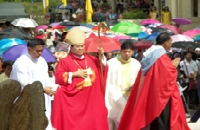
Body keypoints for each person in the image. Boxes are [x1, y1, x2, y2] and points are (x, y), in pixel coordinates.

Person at [118, 32, 190, 130]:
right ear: (165, 43)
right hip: (160, 94)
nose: (171, 44)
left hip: (151, 90)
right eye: (170, 42)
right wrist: (173, 66)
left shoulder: (151, 53)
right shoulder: (160, 56)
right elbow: (166, 75)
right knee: (161, 118)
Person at [51, 28, 109, 130]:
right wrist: (74, 74)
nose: (80, 48)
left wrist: (101, 55)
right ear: (71, 47)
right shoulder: (65, 61)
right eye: (77, 46)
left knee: (94, 123)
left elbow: (103, 67)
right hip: (76, 102)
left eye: (82, 46)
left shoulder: (91, 59)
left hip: (92, 100)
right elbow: (59, 77)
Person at [10, 38, 58, 130]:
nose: (40, 53)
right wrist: (43, 89)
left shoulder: (42, 61)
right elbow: (23, 82)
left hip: (43, 97)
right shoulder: (21, 62)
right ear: (29, 49)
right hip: (27, 99)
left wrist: (52, 88)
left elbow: (46, 79)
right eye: (37, 51)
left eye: (42, 51)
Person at [105, 41, 141, 129]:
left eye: (129, 52)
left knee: (128, 116)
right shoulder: (111, 63)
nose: (127, 54)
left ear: (133, 52)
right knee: (117, 114)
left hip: (131, 94)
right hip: (115, 94)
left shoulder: (136, 64)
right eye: (125, 51)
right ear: (120, 51)